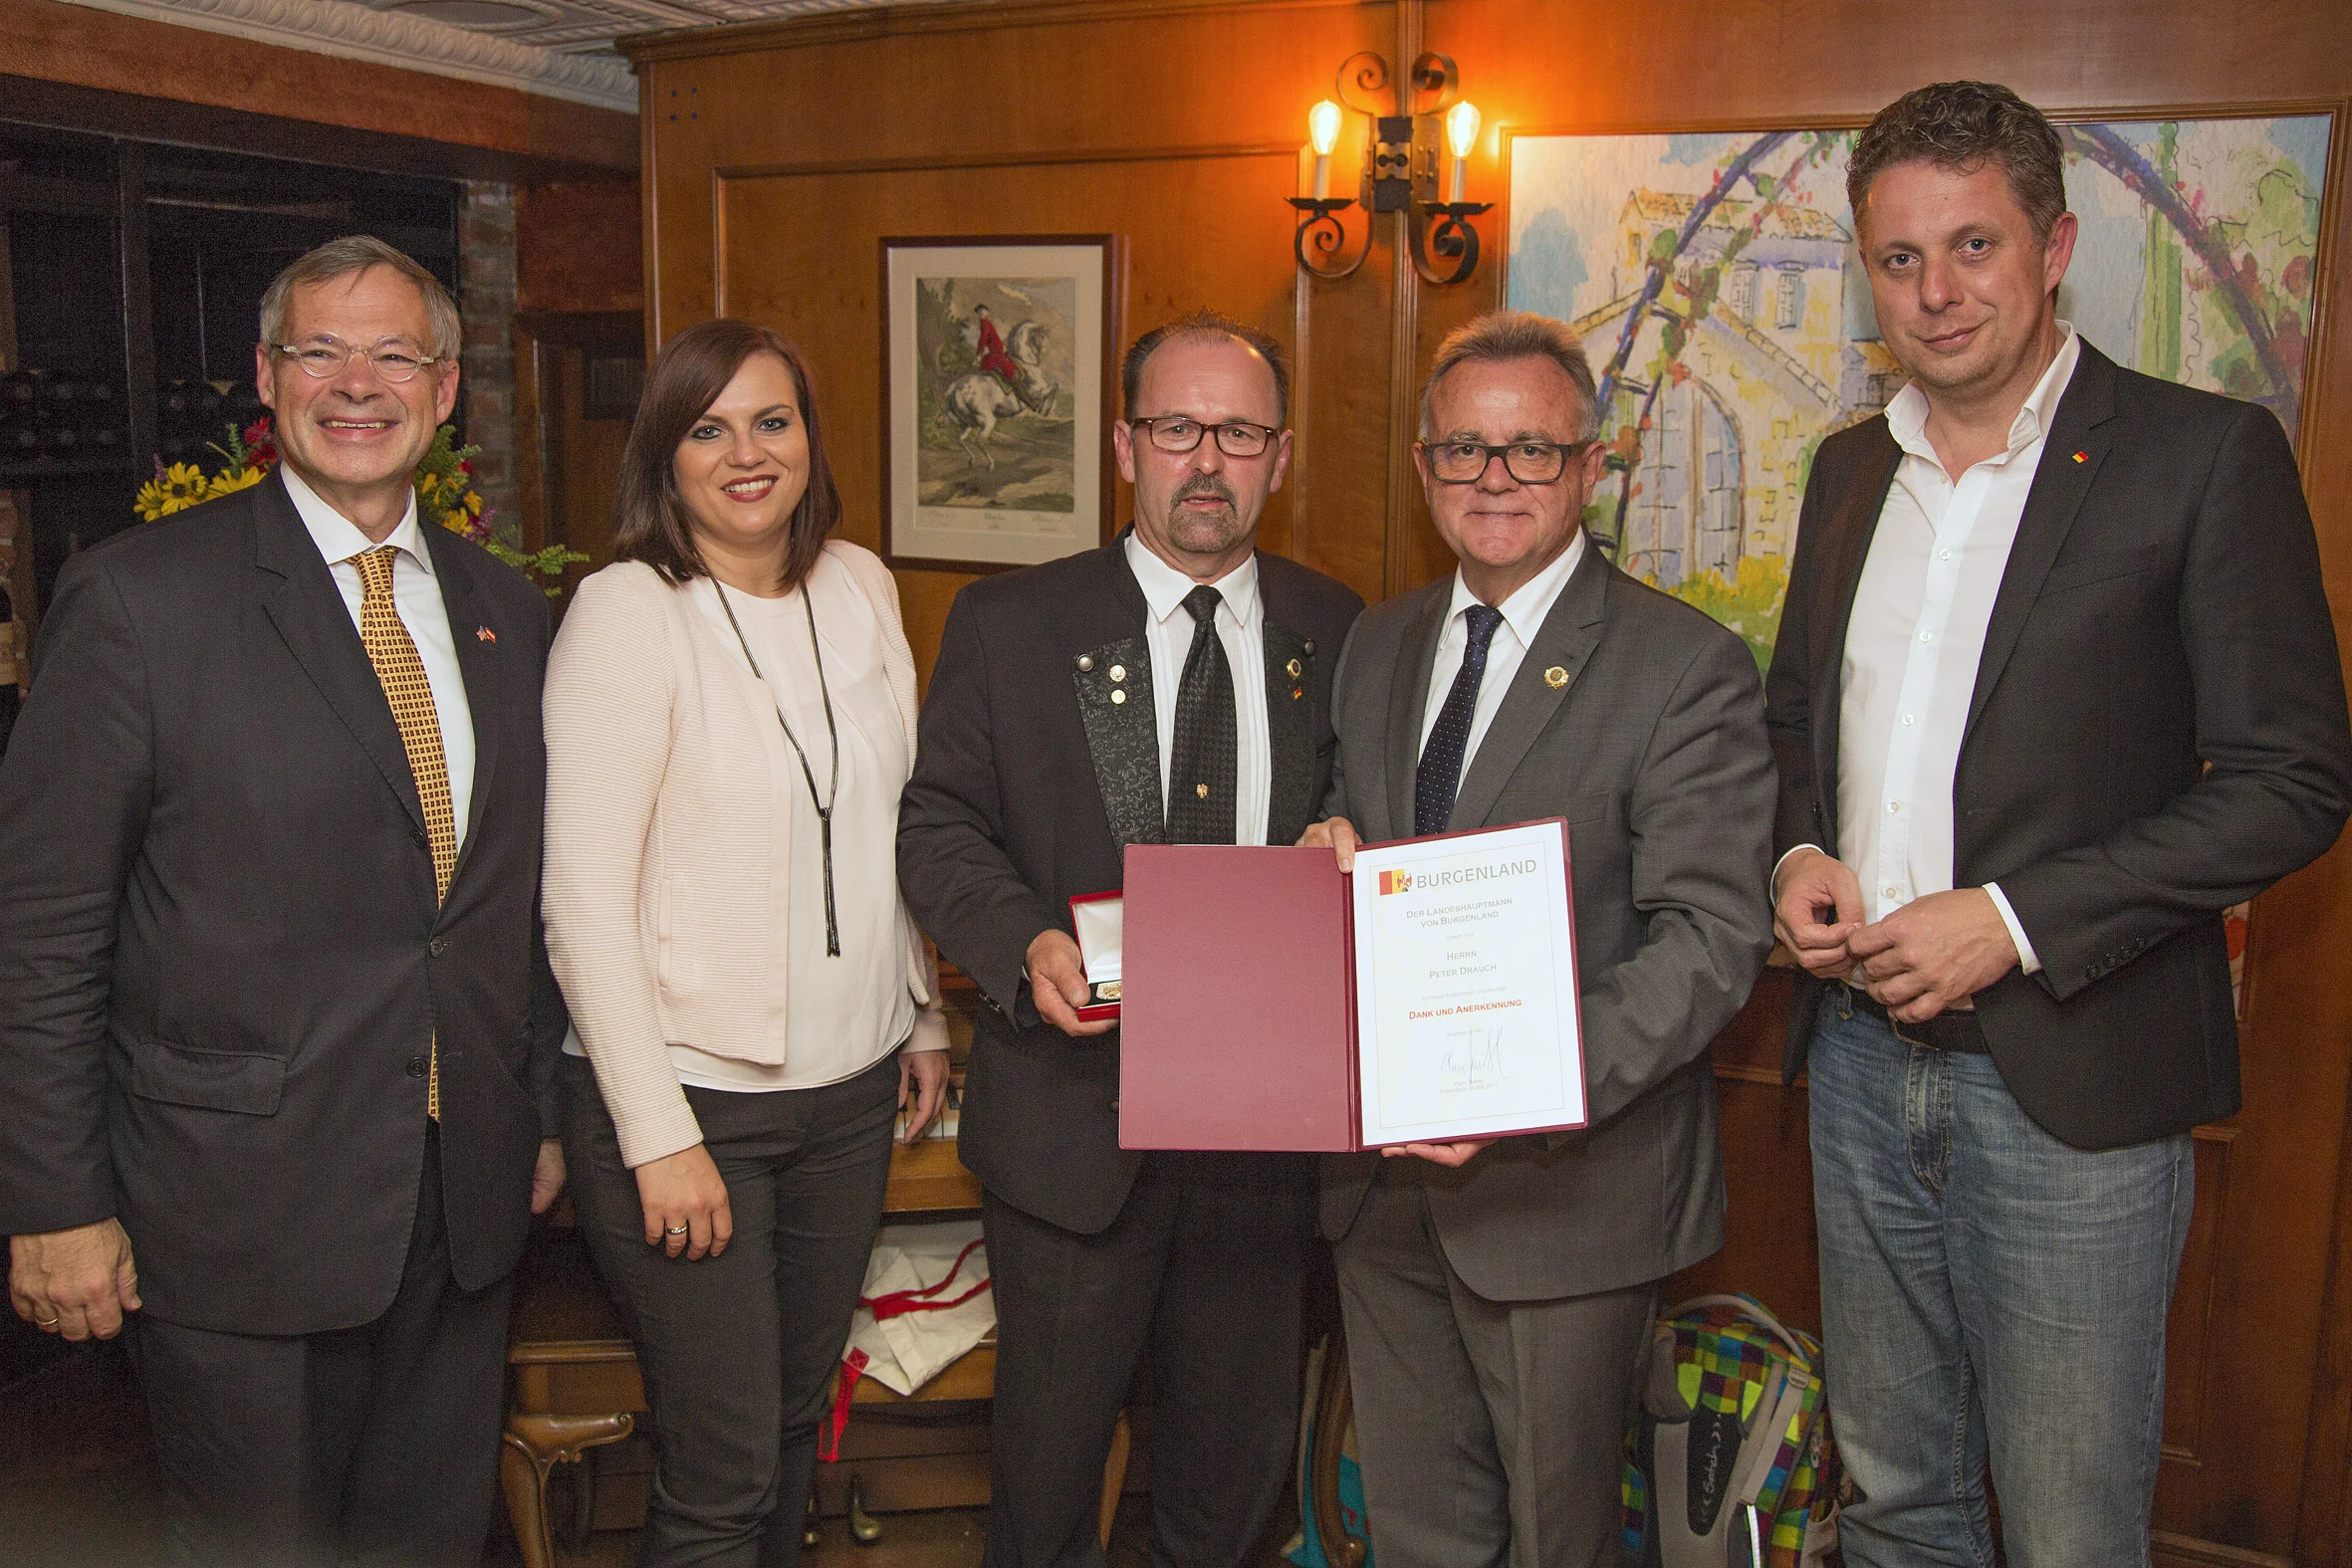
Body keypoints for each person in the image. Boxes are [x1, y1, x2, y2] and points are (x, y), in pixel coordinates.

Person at [1765, 81, 2352, 1567]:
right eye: (1897, 259)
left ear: (2053, 246)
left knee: (2070, 1526)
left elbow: (2291, 779)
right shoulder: (1846, 472)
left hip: (2075, 1087)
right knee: (1895, 1499)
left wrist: (2011, 917)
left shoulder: (2199, 457)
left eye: (1973, 246)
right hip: (1850, 1066)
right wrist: (1796, 855)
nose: (1935, 291)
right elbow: (1789, 729)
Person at [0, 234, 568, 1565]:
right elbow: (40, 934)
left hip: (460, 1192)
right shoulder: (139, 599)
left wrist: (535, 1105)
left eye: (394, 356)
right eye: (321, 349)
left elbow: (513, 897)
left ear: (446, 391)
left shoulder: (509, 608)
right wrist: (51, 1199)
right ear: (267, 376)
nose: (356, 383)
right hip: (235, 1205)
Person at [1303, 311, 1774, 1567]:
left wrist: (1517, 1087)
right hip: (1384, 1188)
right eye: (1463, 451)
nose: (1493, 480)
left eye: (1530, 452)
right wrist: (1320, 854)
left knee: (1554, 1538)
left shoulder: (1684, 666)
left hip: (1567, 1195)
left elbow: (1709, 938)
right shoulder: (1379, 641)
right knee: (1414, 1533)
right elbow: (1366, 844)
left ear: (1589, 466)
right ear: (1422, 467)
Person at [898, 310, 1363, 1568]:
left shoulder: (1344, 630)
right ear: (1124, 444)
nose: (1205, 460)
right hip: (1069, 1134)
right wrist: (1019, 947)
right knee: (1044, 1496)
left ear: (1279, 454)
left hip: (1261, 1154)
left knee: (1229, 1493)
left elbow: (1371, 819)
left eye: (1239, 432)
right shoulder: (1011, 626)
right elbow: (938, 825)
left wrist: (1350, 837)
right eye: (1176, 428)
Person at [544, 318, 949, 1567]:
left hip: (849, 1091)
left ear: (810, 440)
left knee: (782, 1426)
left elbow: (895, 826)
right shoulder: (625, 613)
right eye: (705, 430)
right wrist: (656, 1137)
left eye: (771, 420)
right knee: (719, 1470)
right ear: (663, 461)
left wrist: (922, 1009)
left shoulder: (861, 583)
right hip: (690, 1101)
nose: (745, 454)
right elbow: (579, 901)